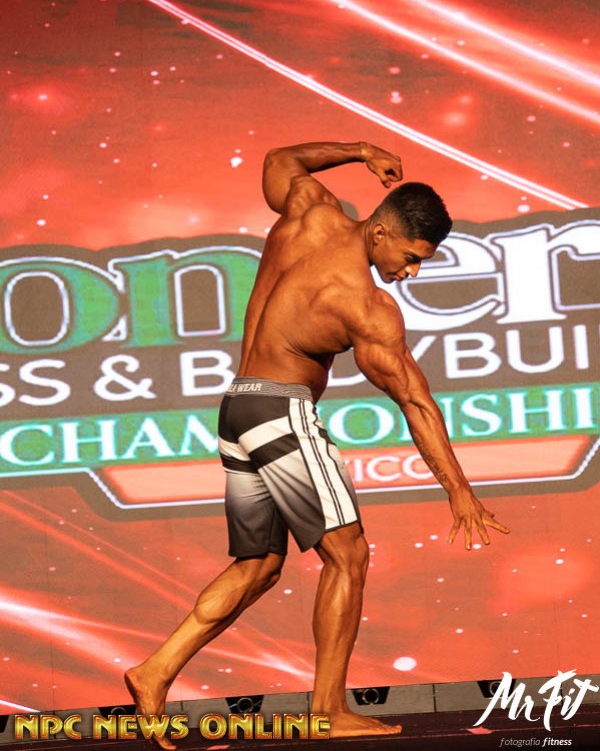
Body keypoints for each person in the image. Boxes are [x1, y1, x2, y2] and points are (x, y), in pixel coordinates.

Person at [125, 140, 509, 743]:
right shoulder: (363, 304)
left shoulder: (310, 210)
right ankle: (328, 710)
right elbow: (415, 400)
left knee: (259, 565)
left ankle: (155, 671)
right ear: (380, 232)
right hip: (280, 411)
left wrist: (360, 150)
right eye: (410, 257)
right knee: (348, 556)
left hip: (239, 407)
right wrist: (458, 489)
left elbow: (280, 161)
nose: (411, 273)